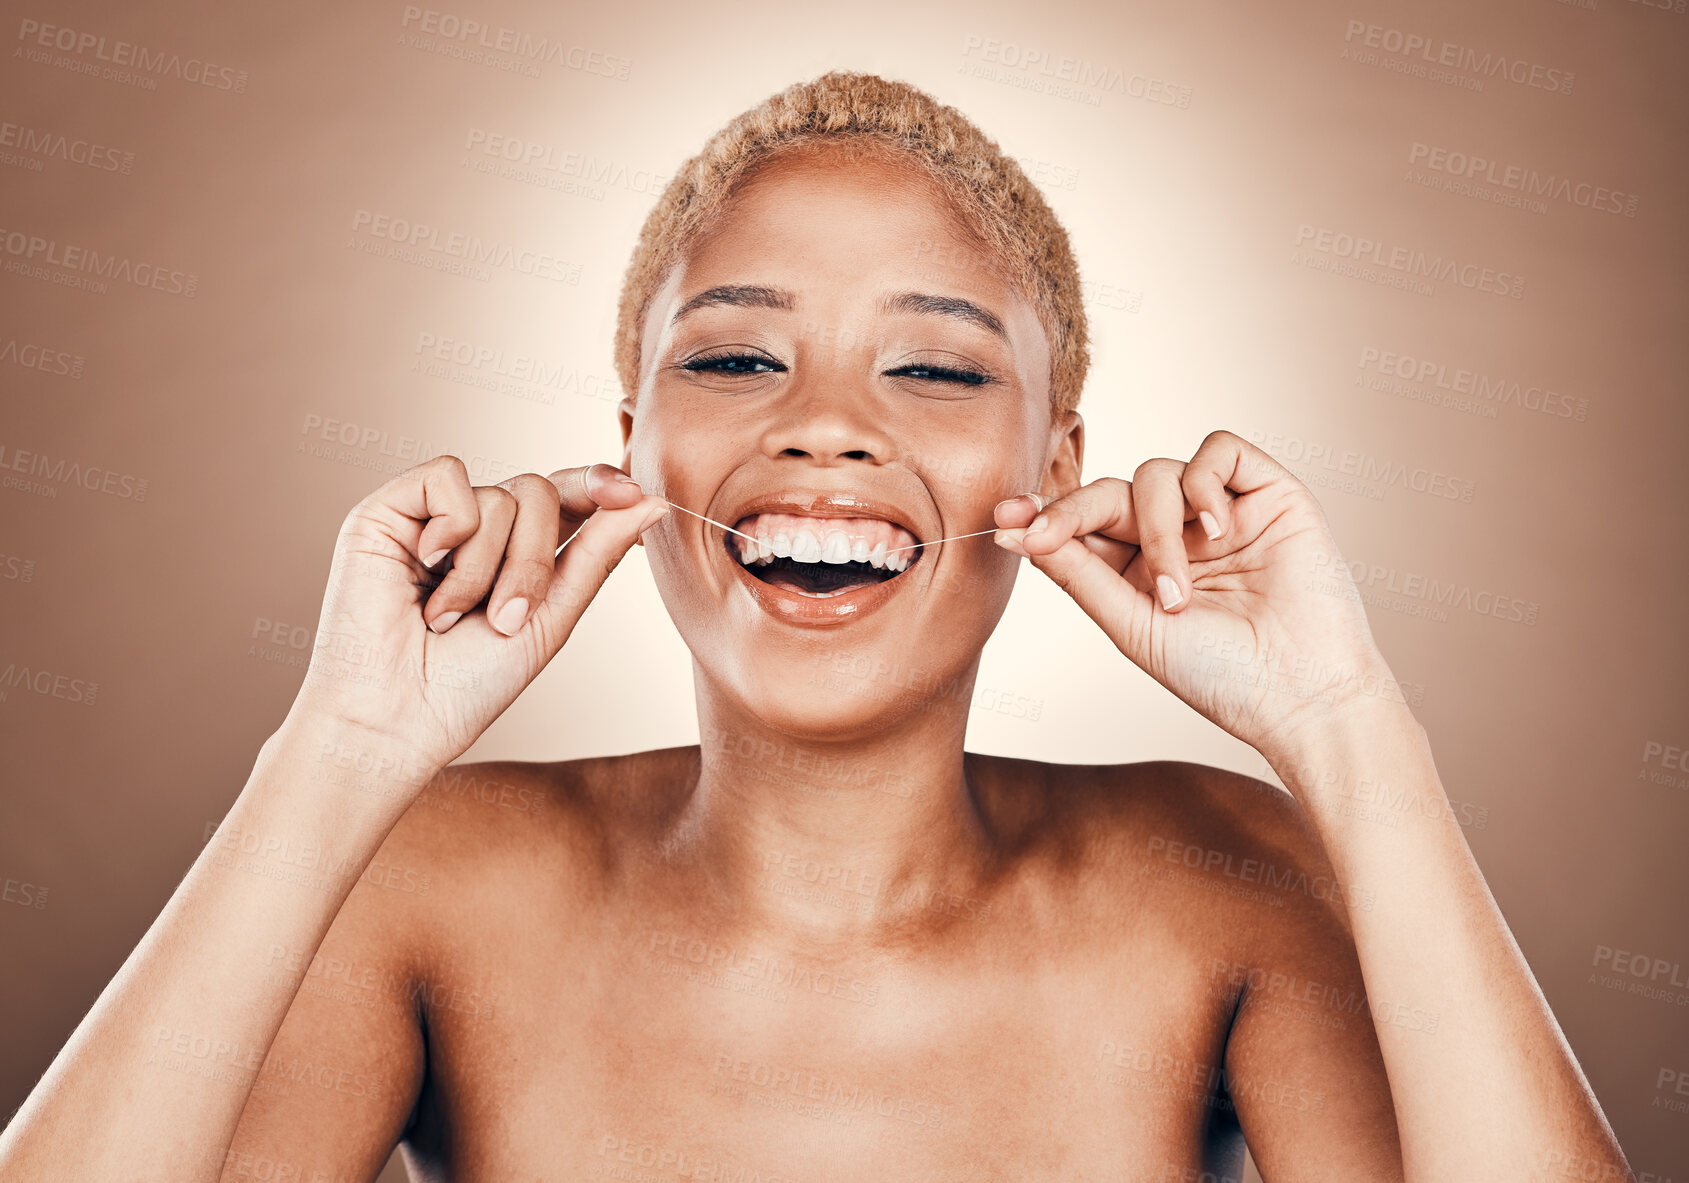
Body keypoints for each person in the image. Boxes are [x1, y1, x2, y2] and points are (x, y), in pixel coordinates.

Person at [0, 71, 1630, 1183]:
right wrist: (339, 751)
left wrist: (1344, 720)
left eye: (930, 369)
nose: (828, 427)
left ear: (1051, 469)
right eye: (731, 362)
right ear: (627, 449)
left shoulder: (1220, 877)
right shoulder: (431, 876)